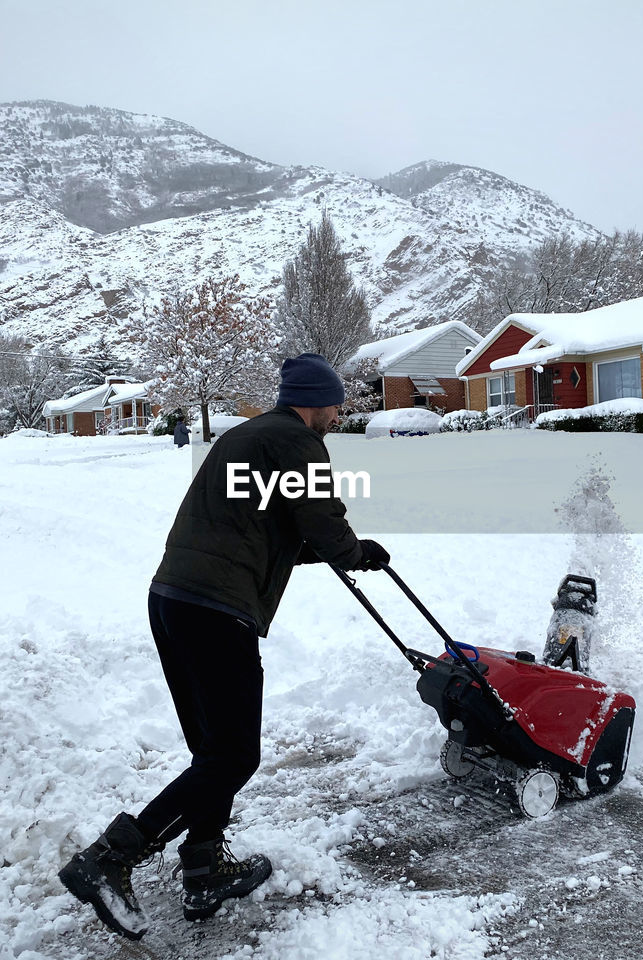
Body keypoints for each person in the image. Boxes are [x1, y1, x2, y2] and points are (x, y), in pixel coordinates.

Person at [59, 353, 388, 939]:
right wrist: (354, 551)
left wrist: (336, 549)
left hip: (174, 599)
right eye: (336, 403)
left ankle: (205, 865)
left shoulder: (247, 437)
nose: (339, 414)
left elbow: (275, 527)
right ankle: (112, 857)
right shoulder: (295, 441)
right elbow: (318, 516)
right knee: (234, 756)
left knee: (213, 750)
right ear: (316, 400)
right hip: (215, 609)